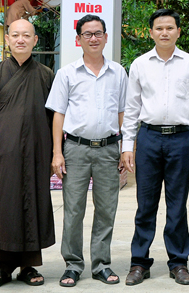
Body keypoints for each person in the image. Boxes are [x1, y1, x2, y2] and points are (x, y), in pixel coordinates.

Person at [120, 9, 189, 286]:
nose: (164, 33)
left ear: (178, 32)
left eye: (170, 28)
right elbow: (132, 108)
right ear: (150, 32)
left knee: (177, 205)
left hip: (181, 140)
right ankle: (139, 262)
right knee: (145, 204)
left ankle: (178, 262)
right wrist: (127, 145)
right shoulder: (139, 65)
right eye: (159, 28)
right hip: (149, 138)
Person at [0, 19, 55, 289]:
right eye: (15, 35)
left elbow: (55, 118)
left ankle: (28, 265)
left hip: (37, 150)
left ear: (35, 40)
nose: (20, 40)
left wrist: (55, 153)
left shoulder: (46, 75)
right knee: (3, 205)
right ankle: (0, 267)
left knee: (33, 202)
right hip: (4, 151)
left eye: (26, 35)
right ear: (7, 39)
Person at [46, 14, 128, 287]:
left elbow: (123, 113)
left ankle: (101, 264)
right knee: (73, 209)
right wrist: (57, 152)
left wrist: (125, 148)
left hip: (108, 150)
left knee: (106, 210)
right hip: (75, 149)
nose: (93, 38)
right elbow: (58, 114)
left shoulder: (118, 72)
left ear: (106, 37)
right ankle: (72, 264)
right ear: (78, 39)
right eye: (87, 34)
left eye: (98, 33)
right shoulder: (67, 73)